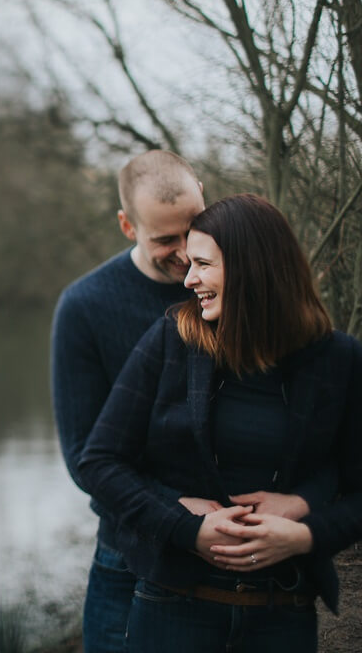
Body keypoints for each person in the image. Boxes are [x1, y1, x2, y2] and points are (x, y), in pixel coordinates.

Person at [78, 194, 362, 653]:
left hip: (282, 613)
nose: (189, 280)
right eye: (189, 264)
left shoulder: (338, 360)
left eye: (203, 264)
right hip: (173, 610)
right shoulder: (170, 341)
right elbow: (100, 464)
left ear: (252, 267)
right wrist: (185, 527)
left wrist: (304, 535)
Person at [51, 153, 332, 652]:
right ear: (126, 225)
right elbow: (83, 457)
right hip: (130, 548)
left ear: (204, 196)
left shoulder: (247, 290)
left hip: (245, 554)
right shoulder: (84, 307)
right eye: (164, 240)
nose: (184, 255)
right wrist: (177, 515)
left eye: (193, 228)